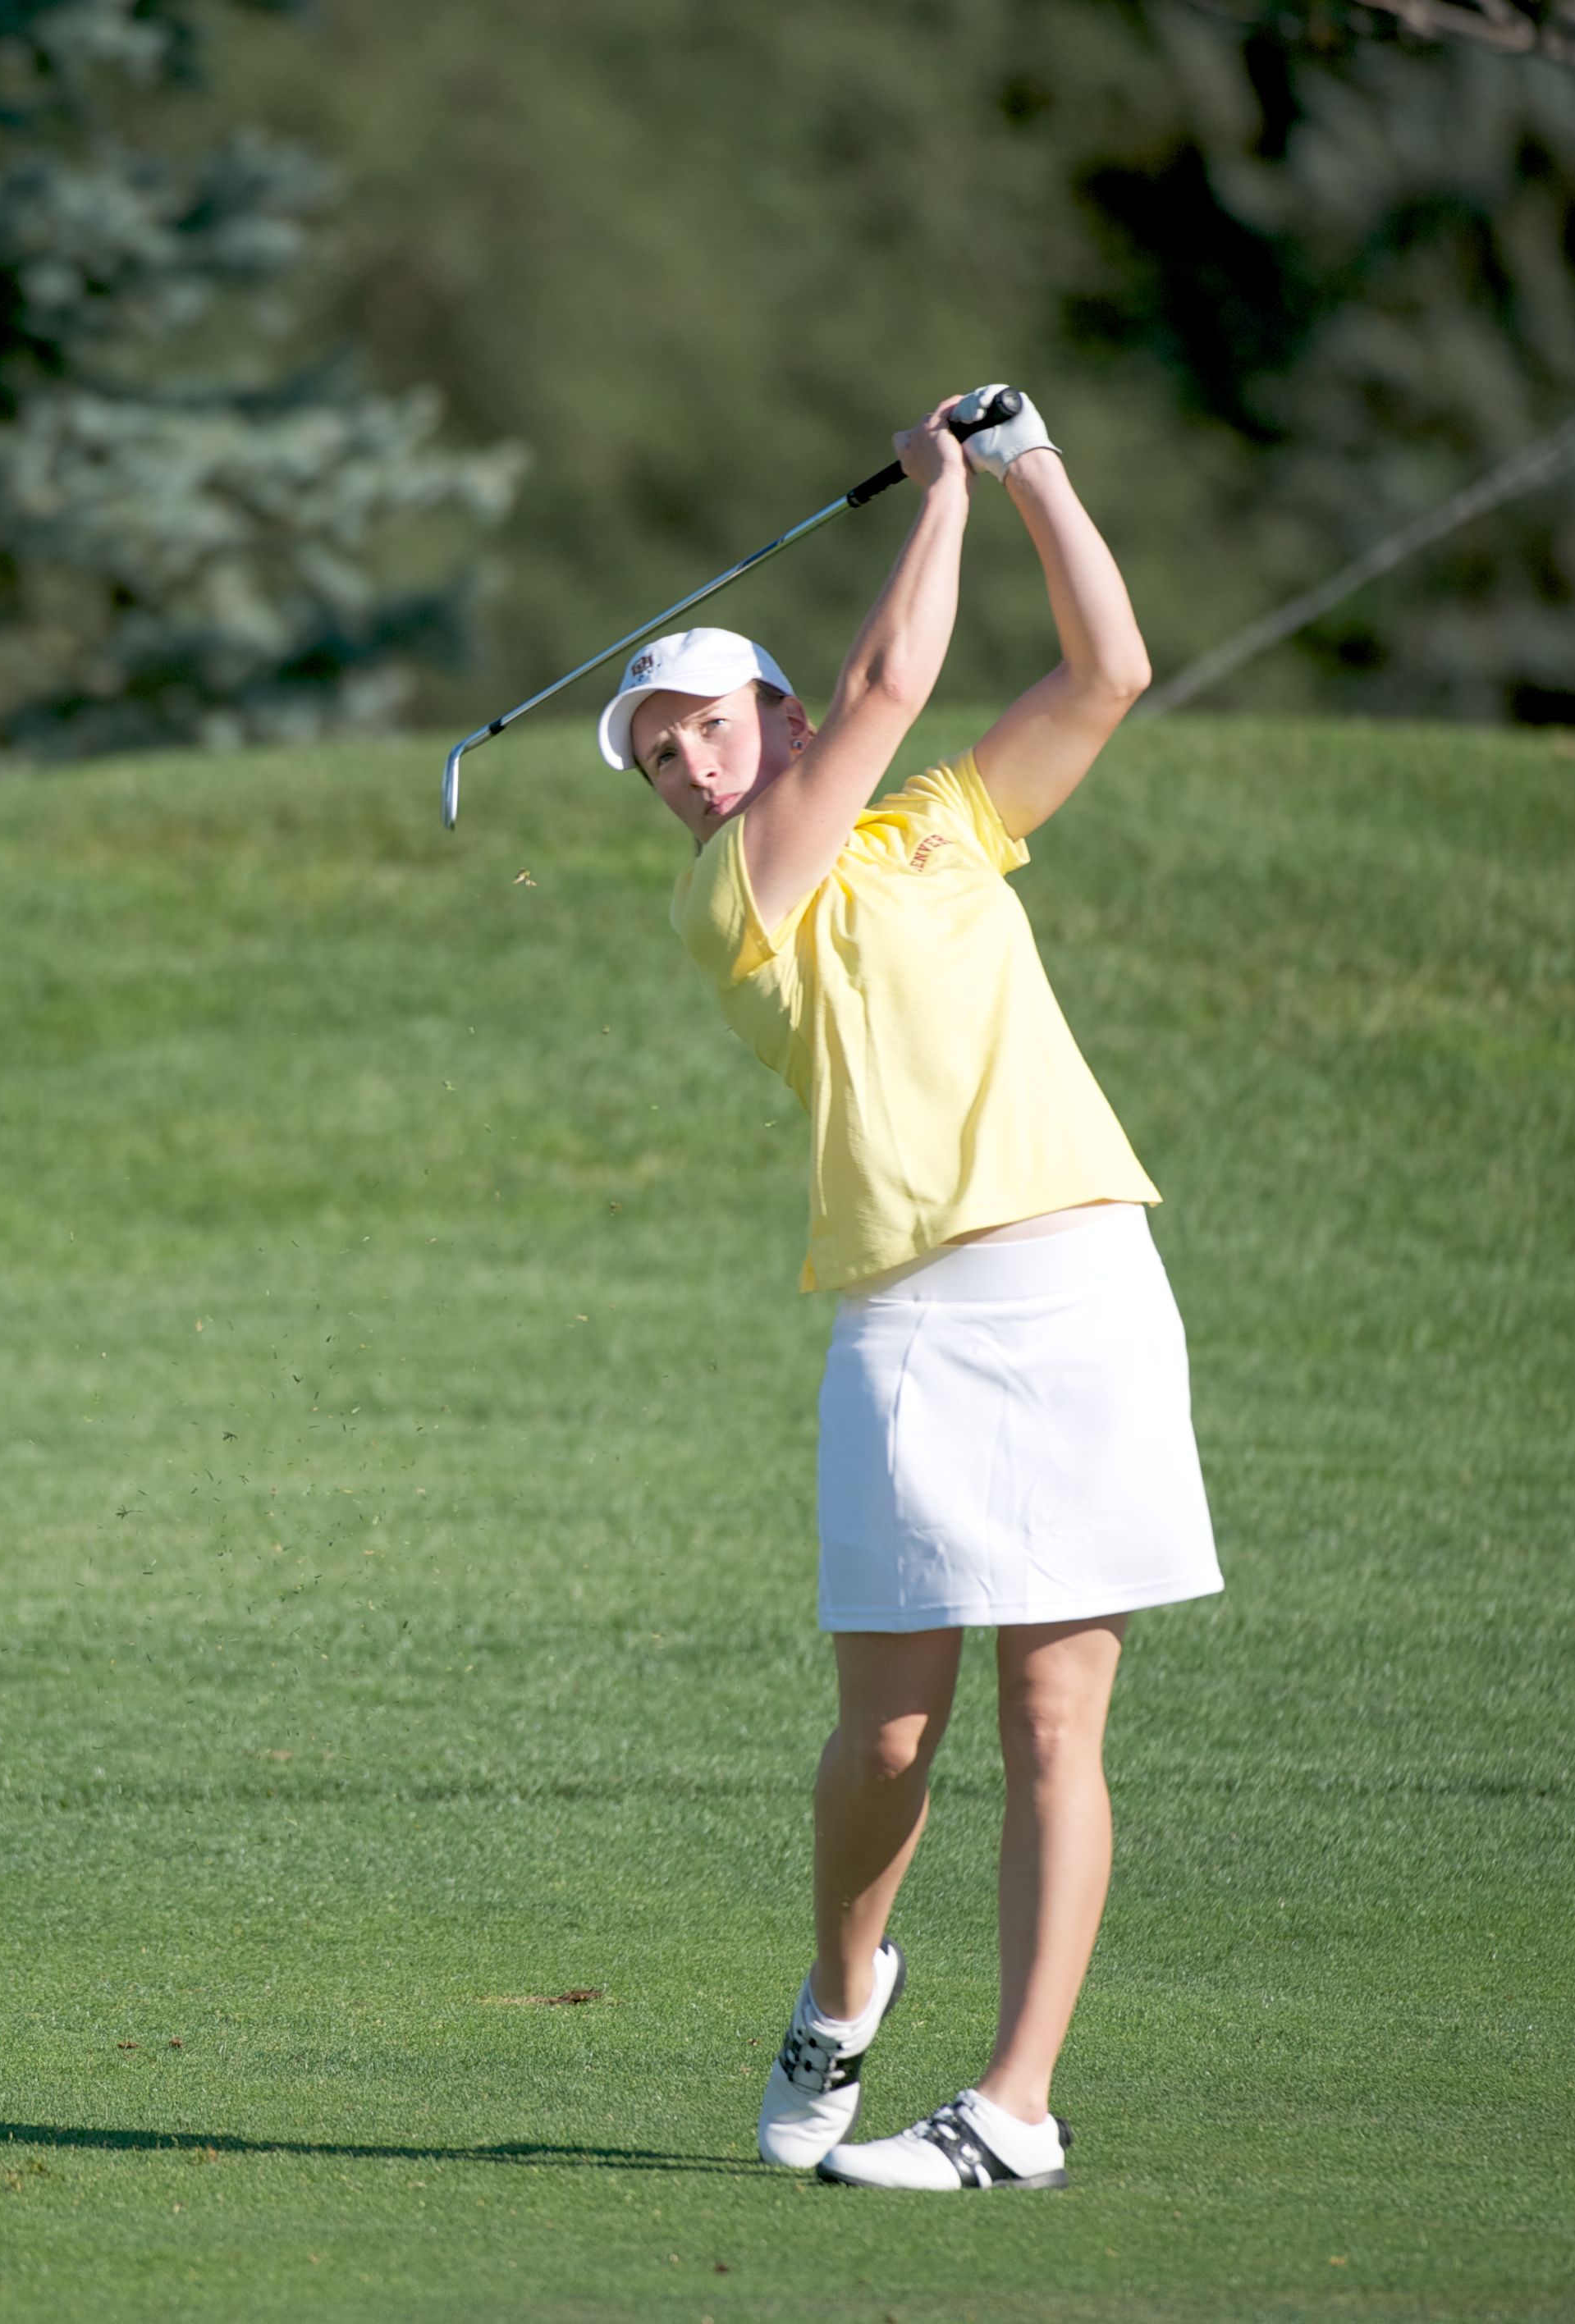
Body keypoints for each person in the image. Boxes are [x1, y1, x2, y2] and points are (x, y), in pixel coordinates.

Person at [601, 387, 1220, 2192]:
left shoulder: (945, 827)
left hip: (1084, 1277)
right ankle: (843, 1980)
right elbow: (882, 691)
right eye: (660, 759)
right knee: (887, 1726)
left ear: (765, 711)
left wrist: (1031, 471)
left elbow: (1106, 673)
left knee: (1056, 1716)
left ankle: (1013, 2108)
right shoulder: (734, 896)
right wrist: (935, 494)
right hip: (909, 1323)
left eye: (711, 730)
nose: (694, 771)